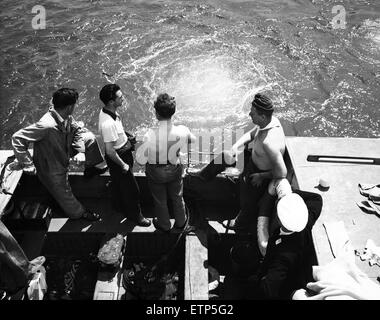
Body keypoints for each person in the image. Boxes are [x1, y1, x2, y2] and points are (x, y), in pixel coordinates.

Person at [189, 92, 287, 232]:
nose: (249, 115)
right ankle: (202, 176)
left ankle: (240, 223)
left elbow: (282, 172)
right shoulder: (268, 122)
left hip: (258, 174)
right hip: (251, 159)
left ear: (263, 116)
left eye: (252, 113)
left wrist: (261, 176)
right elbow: (251, 134)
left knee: (247, 200)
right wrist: (235, 147)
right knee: (225, 156)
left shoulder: (270, 142)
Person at [12, 88, 107, 221]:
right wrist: (27, 163)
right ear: (69, 107)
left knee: (89, 138)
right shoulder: (46, 125)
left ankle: (90, 168)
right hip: (51, 166)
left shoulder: (65, 115)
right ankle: (79, 213)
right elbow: (17, 138)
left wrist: (80, 150)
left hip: (63, 147)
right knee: (64, 192)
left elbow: (77, 129)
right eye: (74, 104)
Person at [248, 184, 323, 299]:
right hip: (302, 267)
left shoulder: (283, 256)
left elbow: (269, 287)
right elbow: (317, 198)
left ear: (278, 219)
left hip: (293, 281)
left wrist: (258, 283)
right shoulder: (306, 223)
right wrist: (292, 195)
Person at [136, 93, 196, 232]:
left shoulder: (150, 134)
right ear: (173, 112)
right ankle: (181, 223)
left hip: (156, 172)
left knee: (160, 200)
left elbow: (141, 160)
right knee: (177, 197)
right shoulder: (182, 130)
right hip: (174, 169)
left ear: (156, 114)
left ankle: (164, 224)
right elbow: (192, 140)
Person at [98, 84, 150, 227]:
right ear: (111, 102)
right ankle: (136, 216)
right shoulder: (108, 123)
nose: (123, 99)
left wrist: (126, 136)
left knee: (119, 184)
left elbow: (116, 133)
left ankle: (118, 206)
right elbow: (109, 150)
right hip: (119, 158)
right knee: (132, 190)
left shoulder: (108, 112)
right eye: (120, 97)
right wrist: (123, 164)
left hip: (122, 151)